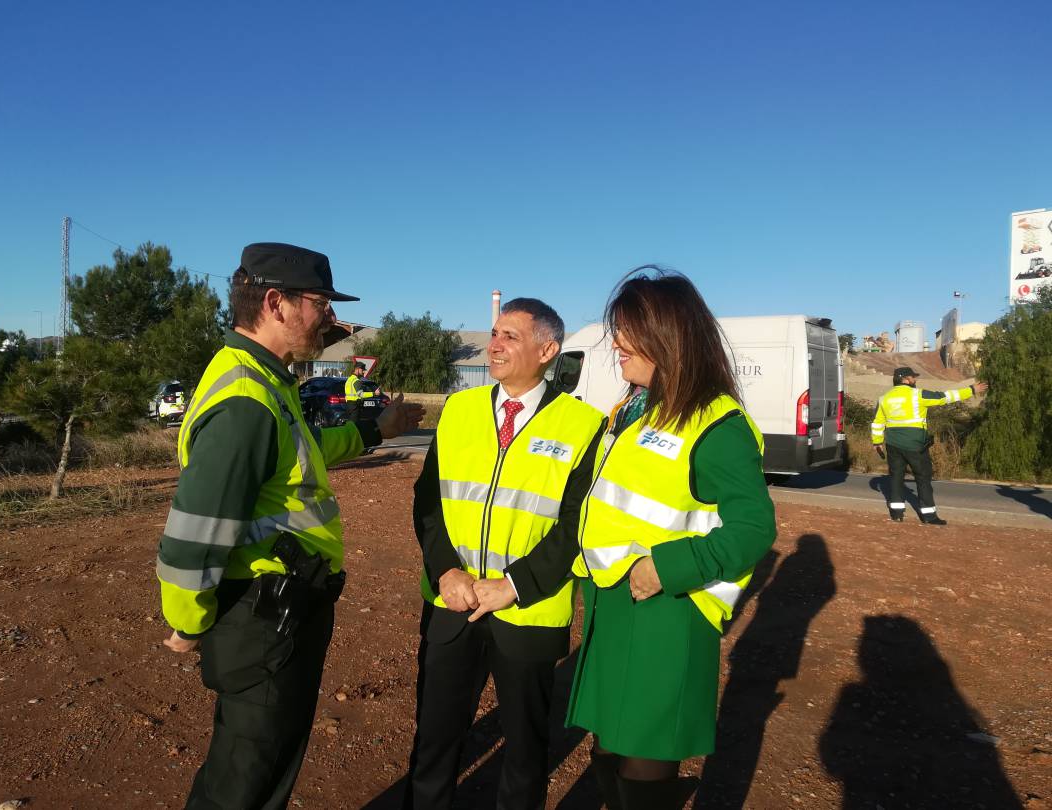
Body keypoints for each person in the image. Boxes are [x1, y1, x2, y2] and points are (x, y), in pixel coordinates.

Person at [471, 268, 777, 809]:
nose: (616, 343)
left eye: (628, 331)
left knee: (644, 760)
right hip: (613, 604)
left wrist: (669, 566)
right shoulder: (633, 408)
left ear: (668, 336)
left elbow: (754, 529)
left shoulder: (717, 424)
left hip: (666, 609)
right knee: (611, 752)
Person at [157, 242, 423, 810]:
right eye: (320, 302)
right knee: (246, 780)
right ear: (276, 302)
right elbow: (194, 530)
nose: (328, 316)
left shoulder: (265, 378)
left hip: (283, 609)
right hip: (262, 621)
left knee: (263, 769)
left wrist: (378, 429)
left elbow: (301, 453)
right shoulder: (246, 401)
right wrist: (186, 622)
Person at [403, 298, 606, 810]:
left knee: (524, 753)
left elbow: (576, 526)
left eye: (510, 336)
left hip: (528, 610)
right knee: (434, 742)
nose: (493, 344)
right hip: (453, 604)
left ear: (548, 350)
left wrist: (513, 585)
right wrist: (445, 569)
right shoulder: (458, 410)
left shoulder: (584, 426)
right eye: (494, 333)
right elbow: (429, 503)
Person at [871, 366, 988, 525]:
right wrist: (971, 389)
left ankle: (896, 513)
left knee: (896, 478)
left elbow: (877, 422)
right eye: (913, 377)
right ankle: (929, 516)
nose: (915, 380)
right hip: (914, 444)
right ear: (905, 379)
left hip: (893, 445)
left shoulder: (884, 398)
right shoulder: (918, 394)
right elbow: (945, 397)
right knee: (923, 478)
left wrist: (877, 442)